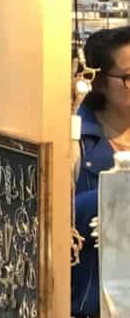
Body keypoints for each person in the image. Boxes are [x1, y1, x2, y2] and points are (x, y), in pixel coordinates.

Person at [73, 27, 130, 317]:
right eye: (128, 78)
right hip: (95, 299)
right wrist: (114, 192)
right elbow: (52, 218)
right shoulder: (73, 140)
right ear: (99, 83)